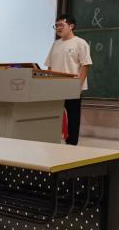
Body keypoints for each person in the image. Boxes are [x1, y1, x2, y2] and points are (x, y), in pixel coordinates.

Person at [45, 14, 92, 145]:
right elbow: (49, 66)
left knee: (72, 119)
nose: (58, 28)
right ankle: (53, 143)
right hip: (55, 88)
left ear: (71, 26)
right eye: (56, 26)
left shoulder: (80, 43)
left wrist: (78, 86)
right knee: (54, 118)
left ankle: (71, 146)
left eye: (61, 25)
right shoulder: (55, 44)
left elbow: (85, 65)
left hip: (72, 88)